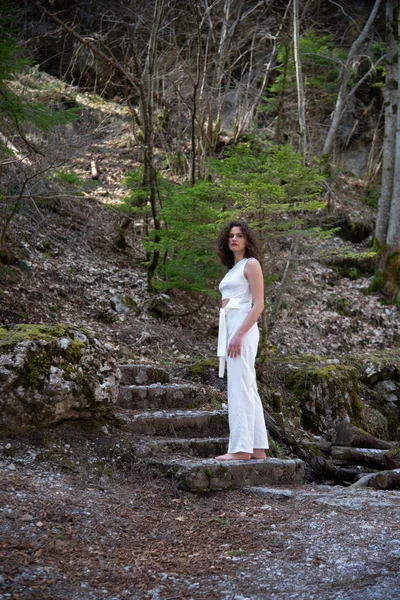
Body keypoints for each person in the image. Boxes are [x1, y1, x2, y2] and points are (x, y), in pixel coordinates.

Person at [215, 220, 269, 461]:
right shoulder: (232, 270)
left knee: (240, 386)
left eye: (239, 235)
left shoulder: (251, 264)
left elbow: (258, 304)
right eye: (231, 236)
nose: (234, 239)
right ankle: (257, 448)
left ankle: (240, 449)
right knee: (247, 384)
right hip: (231, 325)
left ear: (247, 239)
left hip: (242, 327)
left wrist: (238, 334)